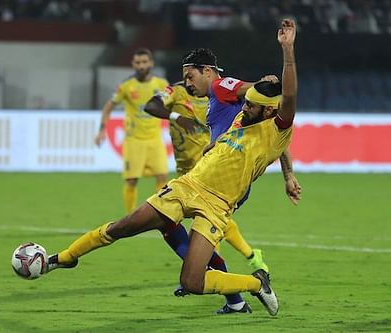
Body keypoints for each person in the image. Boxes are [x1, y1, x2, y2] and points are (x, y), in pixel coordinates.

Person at [47, 19, 298, 316]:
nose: (244, 107)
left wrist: (287, 50)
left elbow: (285, 99)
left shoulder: (272, 124)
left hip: (218, 204)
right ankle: (64, 258)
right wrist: (217, 148)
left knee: (192, 280)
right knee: (125, 226)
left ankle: (255, 285)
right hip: (188, 184)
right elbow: (237, 118)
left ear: (269, 110)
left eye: (251, 105)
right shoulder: (241, 118)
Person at [143, 76, 301, 313]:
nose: (188, 80)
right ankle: (230, 295)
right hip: (195, 175)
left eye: (191, 73)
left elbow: (277, 133)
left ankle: (233, 276)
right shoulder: (197, 97)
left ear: (207, 71)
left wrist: (288, 174)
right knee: (191, 230)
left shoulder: (225, 91)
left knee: (191, 229)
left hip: (223, 180)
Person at [95, 48, 169, 214]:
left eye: (144, 62)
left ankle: (162, 214)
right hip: (134, 140)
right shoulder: (126, 86)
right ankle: (131, 216)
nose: (141, 66)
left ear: (151, 63)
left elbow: (173, 104)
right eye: (138, 62)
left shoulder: (161, 84)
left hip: (155, 139)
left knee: (163, 177)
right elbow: (108, 107)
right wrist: (101, 131)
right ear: (133, 64)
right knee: (131, 180)